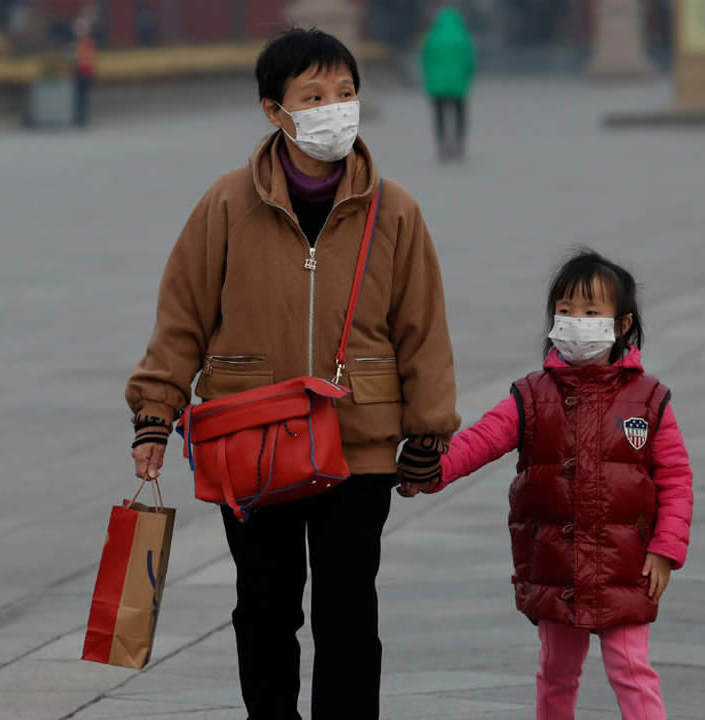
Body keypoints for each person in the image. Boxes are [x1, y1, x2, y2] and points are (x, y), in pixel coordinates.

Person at [125, 29, 459, 719]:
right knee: (265, 607)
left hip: (359, 441)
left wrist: (428, 433)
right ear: (274, 111)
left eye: (345, 92)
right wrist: (155, 414)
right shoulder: (226, 204)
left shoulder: (394, 210)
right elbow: (182, 316)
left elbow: (422, 329)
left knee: (348, 611)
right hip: (252, 439)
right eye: (313, 96)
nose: (334, 107)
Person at [402, 250, 694, 720]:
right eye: (565, 310)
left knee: (631, 669)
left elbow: (675, 478)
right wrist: (433, 471)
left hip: (626, 566)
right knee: (557, 671)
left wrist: (666, 549)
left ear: (622, 326)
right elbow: (483, 439)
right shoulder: (533, 396)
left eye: (591, 313)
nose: (576, 322)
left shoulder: (649, 400)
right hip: (558, 565)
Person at [420, 7, 475, 162]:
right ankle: (459, 144)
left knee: (439, 114)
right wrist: (468, 77)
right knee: (459, 113)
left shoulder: (432, 36)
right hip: (458, 83)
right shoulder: (463, 36)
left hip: (437, 84)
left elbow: (425, 59)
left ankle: (442, 145)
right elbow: (470, 60)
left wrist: (428, 78)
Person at [73, 17, 97, 127]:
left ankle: (82, 117)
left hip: (84, 73)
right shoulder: (82, 44)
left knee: (82, 97)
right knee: (80, 97)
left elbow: (86, 59)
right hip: (81, 73)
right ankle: (80, 117)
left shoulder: (86, 44)